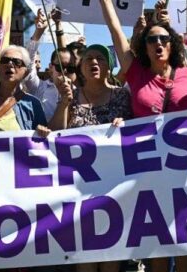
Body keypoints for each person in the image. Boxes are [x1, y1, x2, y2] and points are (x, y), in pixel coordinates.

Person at [91, 0, 187, 272]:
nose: (158, 43)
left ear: (173, 43)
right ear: (146, 46)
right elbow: (115, 31)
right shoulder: (137, 73)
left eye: (164, 38)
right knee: (156, 241)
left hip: (184, 168)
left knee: (184, 239)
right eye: (152, 39)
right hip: (146, 169)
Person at [50, 44, 131, 272]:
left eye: (100, 59)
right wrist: (63, 103)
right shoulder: (70, 97)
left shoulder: (122, 96)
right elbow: (55, 133)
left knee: (110, 254)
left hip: (113, 189)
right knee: (84, 256)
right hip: (77, 192)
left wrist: (125, 126)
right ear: (81, 67)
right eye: (88, 59)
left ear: (109, 67)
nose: (94, 62)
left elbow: (137, 134)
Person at [0, 45, 50, 135]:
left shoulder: (33, 104)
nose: (9, 64)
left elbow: (43, 142)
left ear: (26, 72)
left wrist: (40, 131)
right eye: (5, 60)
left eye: (17, 62)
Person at [25, 8, 78, 120]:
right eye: (60, 67)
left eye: (70, 68)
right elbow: (28, 64)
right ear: (50, 68)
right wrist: (39, 32)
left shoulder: (80, 92)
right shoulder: (40, 88)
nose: (65, 71)